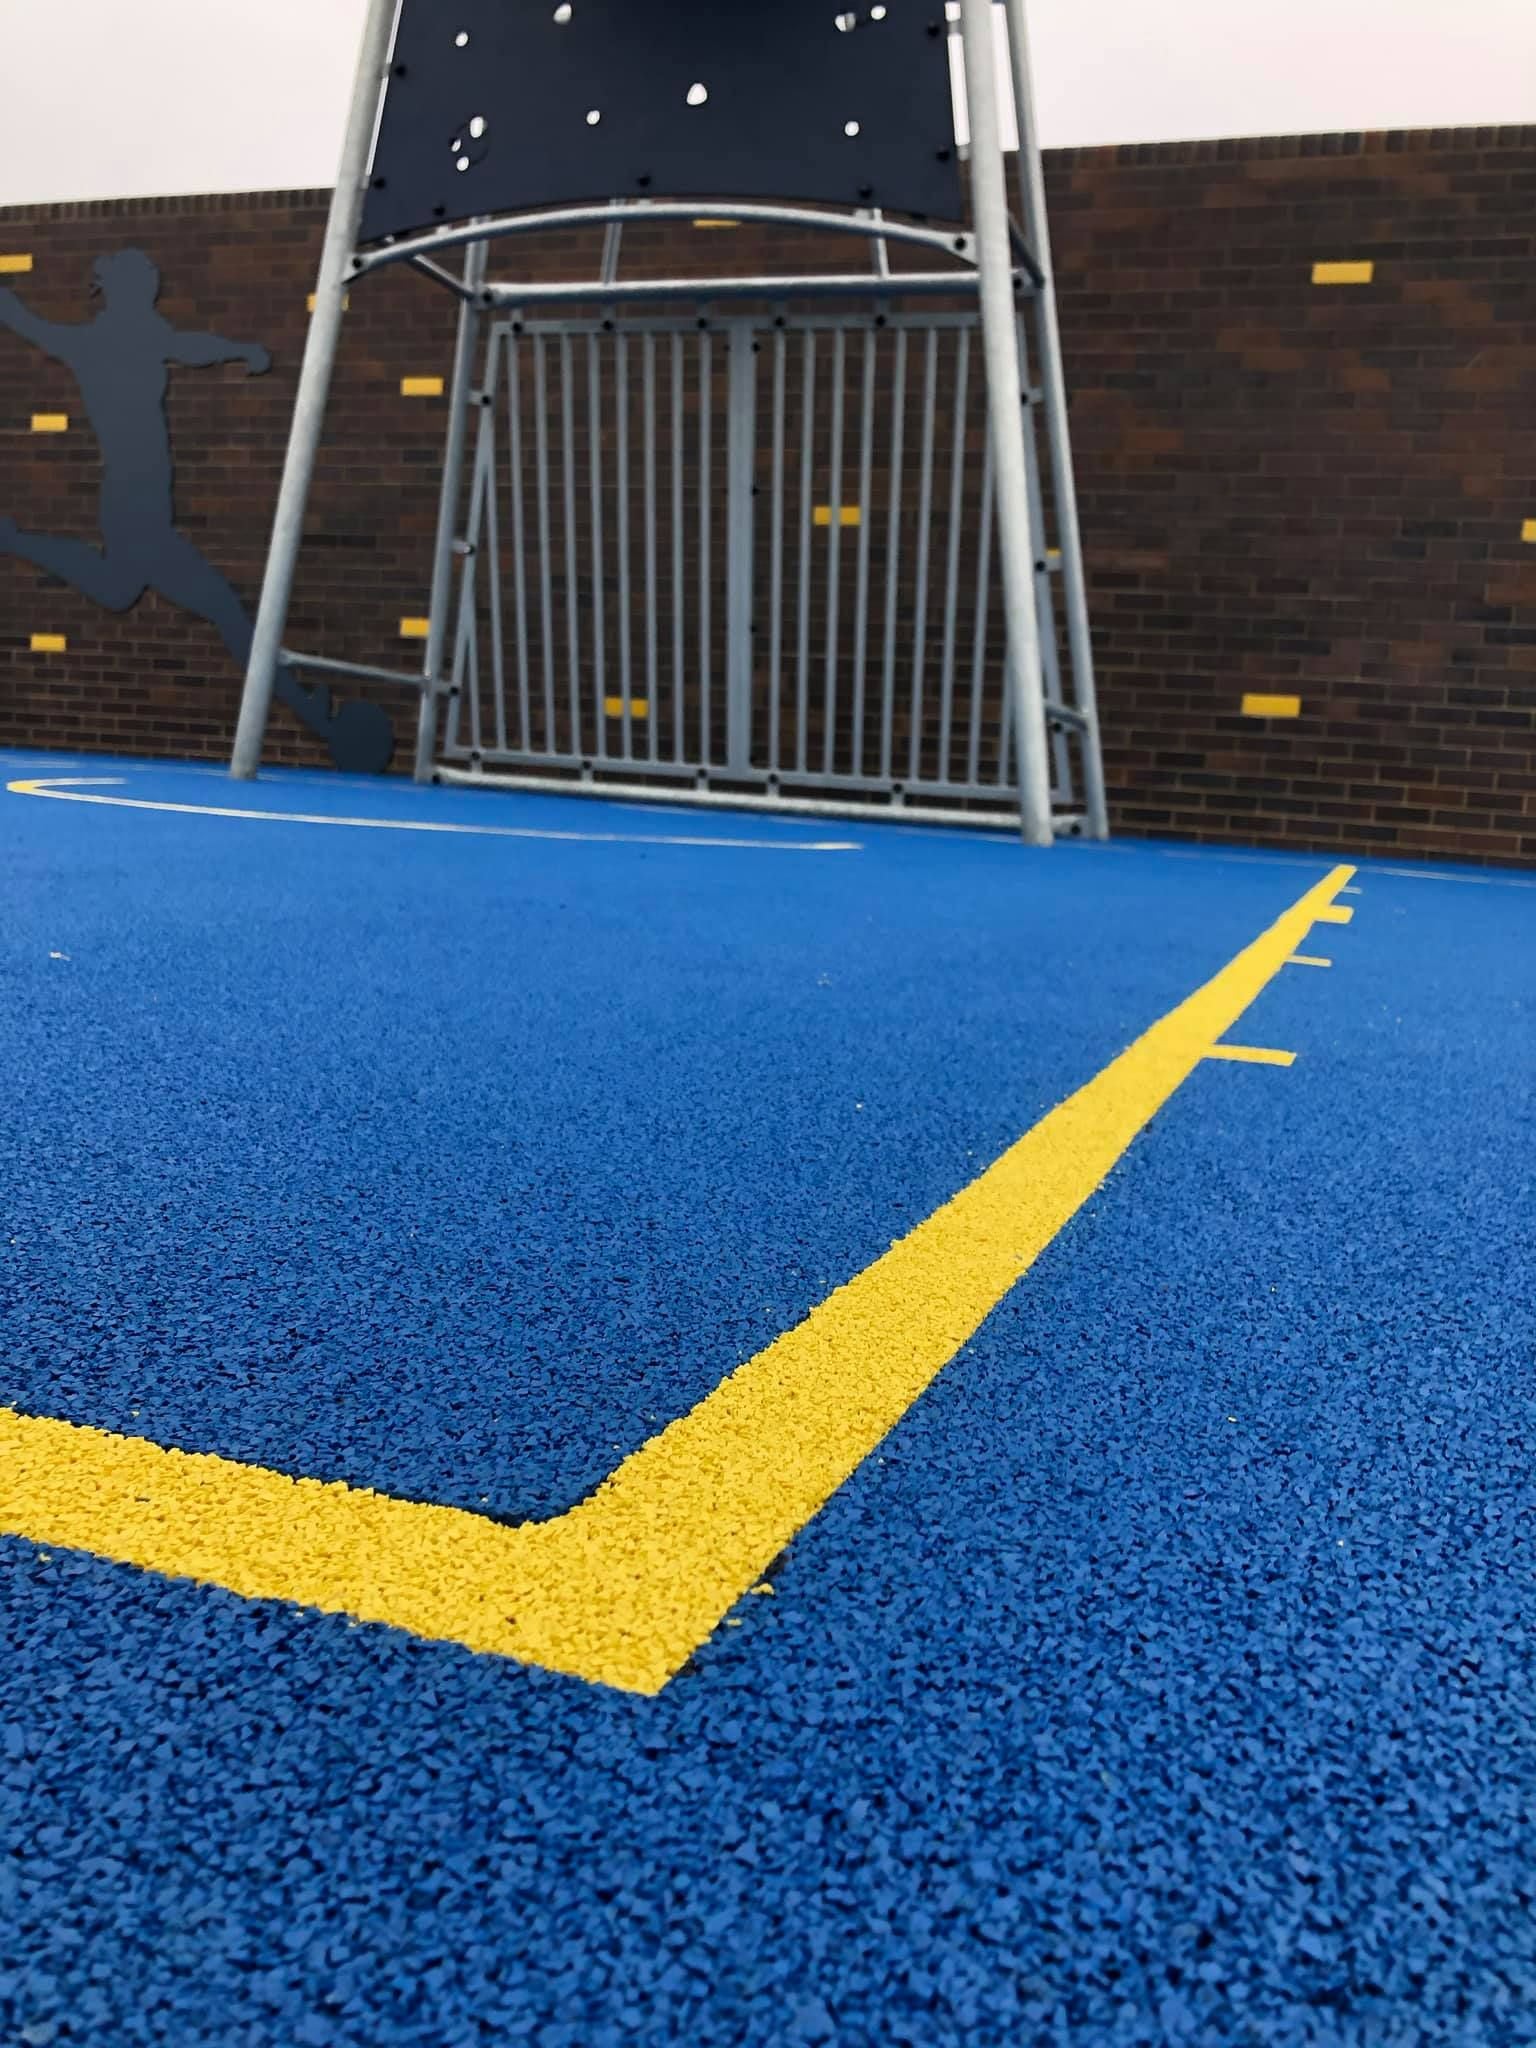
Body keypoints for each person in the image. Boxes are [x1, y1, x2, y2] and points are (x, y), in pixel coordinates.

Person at [0, 250, 391, 772]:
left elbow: (192, 347)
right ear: (122, 292)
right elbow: (29, 323)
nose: (152, 294)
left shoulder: (141, 338)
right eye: (145, 285)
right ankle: (311, 711)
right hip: (135, 505)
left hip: (141, 500)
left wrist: (239, 350)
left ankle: (15, 540)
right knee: (222, 609)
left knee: (118, 589)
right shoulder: (94, 343)